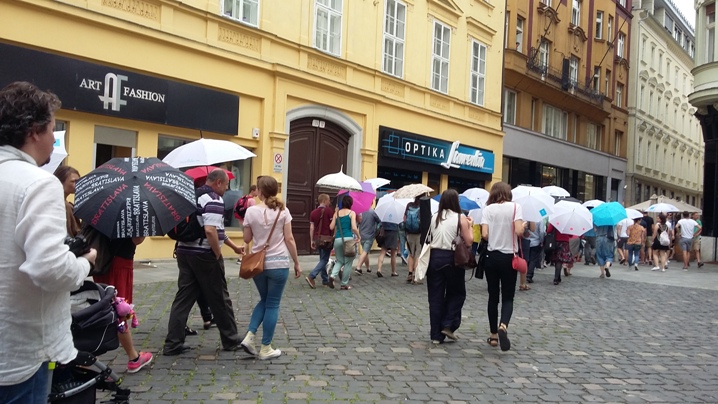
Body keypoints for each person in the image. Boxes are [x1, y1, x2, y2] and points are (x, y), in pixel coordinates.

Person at [0, 81, 96, 403]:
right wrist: (85, 262)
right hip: (21, 350)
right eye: (53, 131)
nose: (55, 141)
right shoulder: (39, 184)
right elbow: (50, 269)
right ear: (34, 131)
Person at [163, 169, 245, 355]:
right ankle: (231, 339)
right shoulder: (214, 199)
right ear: (217, 182)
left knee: (183, 298)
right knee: (220, 297)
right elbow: (210, 230)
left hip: (184, 251)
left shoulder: (190, 195)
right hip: (204, 254)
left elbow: (218, 230)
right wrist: (217, 253)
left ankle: (173, 343)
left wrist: (233, 247)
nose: (226, 188)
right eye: (225, 185)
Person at [239, 176, 301, 359]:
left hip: (259, 264)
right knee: (272, 303)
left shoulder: (250, 211)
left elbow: (247, 239)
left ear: (259, 191)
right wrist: (296, 262)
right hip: (279, 263)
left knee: (264, 300)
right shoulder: (283, 211)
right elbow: (289, 239)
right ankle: (266, 347)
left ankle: (250, 336)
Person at [93, 236, 154, 372]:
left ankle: (92, 356)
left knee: (102, 306)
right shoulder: (130, 214)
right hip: (121, 262)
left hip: (101, 261)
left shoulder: (98, 215)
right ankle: (133, 358)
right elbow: (137, 239)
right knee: (120, 309)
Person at [426, 189, 473, 345]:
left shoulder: (434, 218)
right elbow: (469, 241)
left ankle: (435, 335)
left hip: (434, 258)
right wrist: (470, 225)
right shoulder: (461, 218)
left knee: (435, 298)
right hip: (452, 259)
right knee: (457, 293)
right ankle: (447, 323)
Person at [480, 183, 523, 351]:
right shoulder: (515, 208)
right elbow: (519, 231)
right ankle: (503, 326)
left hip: (491, 257)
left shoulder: (488, 209)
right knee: (508, 296)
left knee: (493, 296)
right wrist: (522, 227)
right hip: (508, 258)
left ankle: (493, 336)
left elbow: (484, 234)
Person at [328, 195, 360, 289]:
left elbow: (331, 227)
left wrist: (335, 214)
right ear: (351, 204)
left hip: (338, 239)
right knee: (348, 261)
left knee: (340, 260)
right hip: (348, 239)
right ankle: (344, 284)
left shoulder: (336, 213)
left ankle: (332, 276)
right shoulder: (352, 213)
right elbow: (354, 227)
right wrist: (359, 236)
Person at [306, 194, 333, 288]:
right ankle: (311, 276)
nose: (329, 202)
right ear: (325, 200)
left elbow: (311, 228)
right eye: (329, 200)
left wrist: (311, 240)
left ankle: (325, 279)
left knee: (322, 259)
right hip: (327, 238)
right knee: (325, 259)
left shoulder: (313, 213)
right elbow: (332, 226)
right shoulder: (329, 211)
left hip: (317, 238)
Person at [54, 165, 82, 236]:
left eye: (78, 181)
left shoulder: (57, 201)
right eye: (73, 181)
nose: (77, 184)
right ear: (61, 182)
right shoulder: (65, 206)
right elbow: (74, 232)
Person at [355, 208, 380, 274]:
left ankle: (368, 268)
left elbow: (357, 223)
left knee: (365, 252)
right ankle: (358, 267)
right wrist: (377, 230)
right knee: (365, 251)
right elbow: (379, 221)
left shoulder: (360, 211)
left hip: (361, 235)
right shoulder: (372, 212)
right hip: (369, 235)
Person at [404, 196, 422, 282]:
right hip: (419, 234)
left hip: (409, 233)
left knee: (411, 254)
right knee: (417, 254)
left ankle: (410, 274)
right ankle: (415, 275)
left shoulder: (409, 205)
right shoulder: (423, 206)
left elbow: (404, 219)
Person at [524, 220, 545, 285]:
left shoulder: (525, 218)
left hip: (526, 241)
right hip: (536, 242)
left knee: (526, 259)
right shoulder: (540, 219)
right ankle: (529, 275)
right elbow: (542, 232)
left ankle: (524, 275)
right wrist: (542, 241)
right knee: (533, 260)